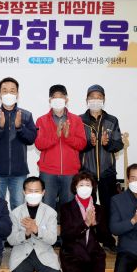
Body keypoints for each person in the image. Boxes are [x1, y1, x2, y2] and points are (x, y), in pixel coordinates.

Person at [0, 77, 37, 210]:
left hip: (19, 172)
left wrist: (20, 127)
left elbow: (31, 139)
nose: (8, 94)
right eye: (5, 90)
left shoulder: (26, 115)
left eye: (12, 91)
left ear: (17, 94)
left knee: (18, 207)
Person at [35, 84, 86, 214]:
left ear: (66, 99)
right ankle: (47, 229)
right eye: (54, 97)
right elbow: (39, 144)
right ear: (50, 100)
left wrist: (68, 137)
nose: (58, 100)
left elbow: (82, 144)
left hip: (70, 172)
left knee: (68, 211)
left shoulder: (76, 120)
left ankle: (66, 229)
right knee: (47, 209)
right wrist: (56, 136)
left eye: (61, 97)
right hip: (48, 172)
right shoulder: (41, 120)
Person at [79, 84, 123, 230]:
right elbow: (75, 145)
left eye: (99, 97)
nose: (95, 100)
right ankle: (88, 236)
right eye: (92, 97)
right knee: (87, 207)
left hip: (107, 172)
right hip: (86, 173)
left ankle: (107, 237)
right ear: (86, 100)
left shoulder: (112, 120)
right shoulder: (79, 120)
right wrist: (88, 143)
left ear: (104, 99)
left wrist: (107, 143)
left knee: (108, 207)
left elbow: (118, 144)